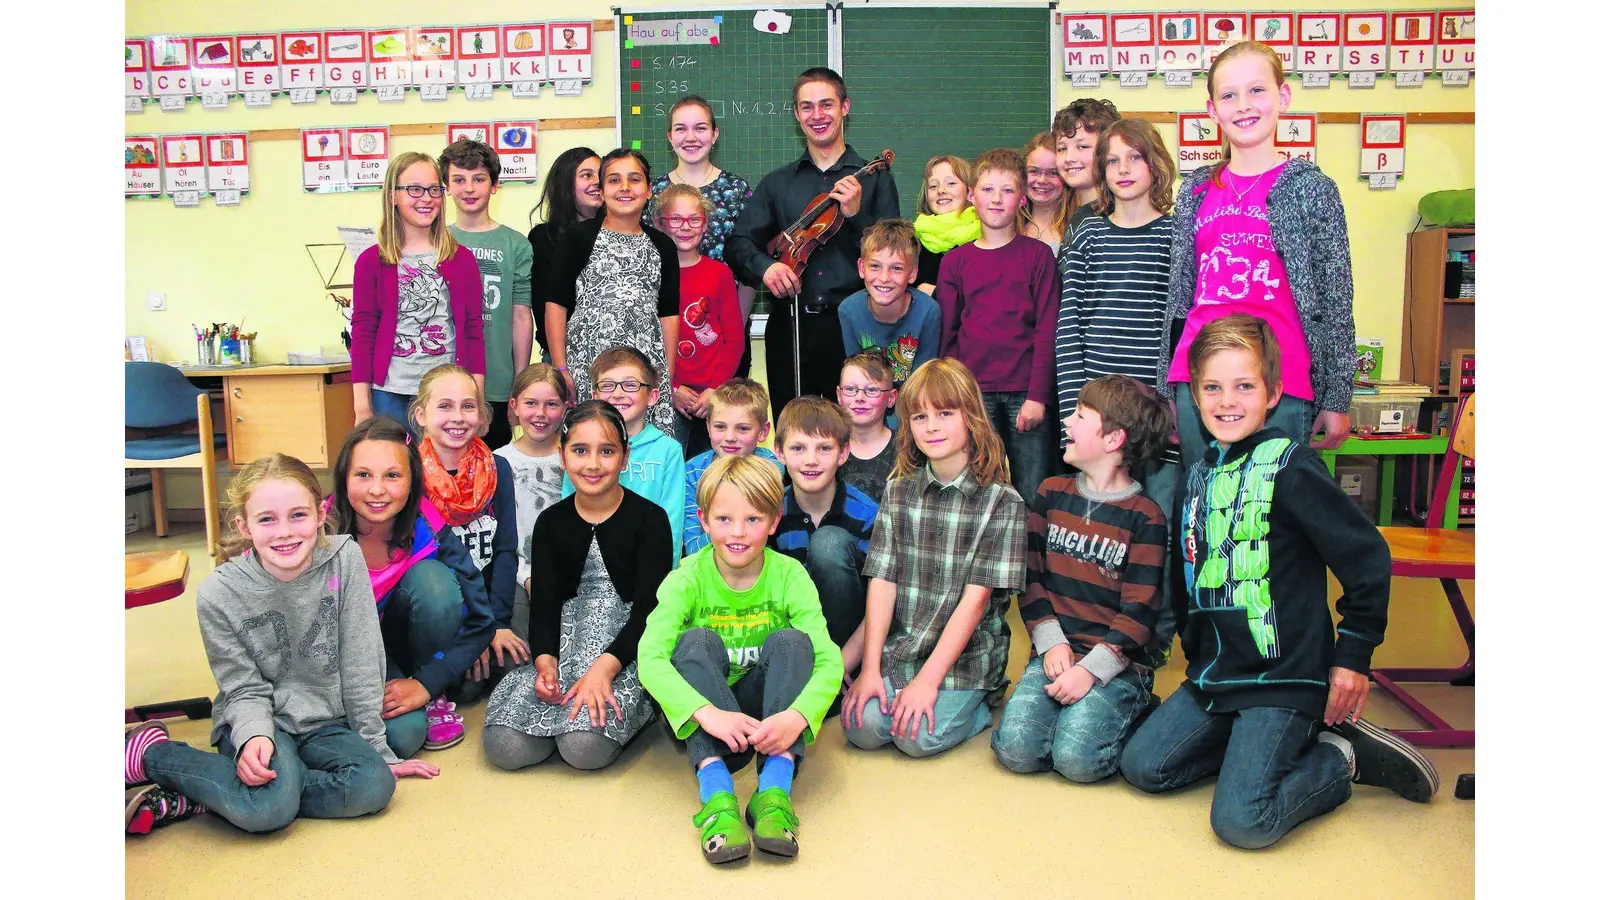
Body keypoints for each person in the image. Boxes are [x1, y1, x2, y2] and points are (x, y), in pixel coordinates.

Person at [1121, 314, 1438, 850]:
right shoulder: (1196, 477)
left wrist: (1353, 656)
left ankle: (1340, 757)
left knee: (1242, 821)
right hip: (1216, 678)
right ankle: (1256, 744)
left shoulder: (1292, 467)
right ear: (1192, 397)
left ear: (1273, 393)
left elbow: (1367, 558)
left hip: (1284, 677)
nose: (1227, 401)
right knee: (1143, 767)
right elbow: (1188, 578)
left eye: (1245, 386)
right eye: (1212, 388)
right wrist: (1197, 660)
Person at [124, 455, 437, 836]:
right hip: (263, 718)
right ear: (244, 526)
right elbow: (242, 687)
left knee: (374, 785)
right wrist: (254, 734)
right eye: (267, 519)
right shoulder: (218, 594)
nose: (285, 532)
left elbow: (360, 659)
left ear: (321, 515)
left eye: (298, 515)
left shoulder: (345, 559)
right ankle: (153, 755)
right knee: (267, 810)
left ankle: (221, 792)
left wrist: (376, 748)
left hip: (326, 722)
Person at [1155, 41, 1357, 476]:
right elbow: (1179, 297)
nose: (1243, 106)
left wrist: (1338, 397)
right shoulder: (1194, 191)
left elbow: (1336, 299)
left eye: (1257, 91)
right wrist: (1167, 388)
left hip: (1281, 383)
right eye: (1229, 95)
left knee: (1274, 517)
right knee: (1203, 508)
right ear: (1212, 109)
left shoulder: (1310, 188)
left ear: (1282, 97)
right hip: (1200, 380)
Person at [638, 455, 844, 864]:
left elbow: (829, 661)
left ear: (773, 521)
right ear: (703, 520)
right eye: (725, 519)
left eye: (753, 519)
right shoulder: (686, 578)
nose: (738, 532)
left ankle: (773, 790)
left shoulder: (790, 576)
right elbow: (650, 658)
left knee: (792, 642)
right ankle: (716, 795)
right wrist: (705, 712)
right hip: (711, 721)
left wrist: (797, 717)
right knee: (693, 642)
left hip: (768, 722)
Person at [840, 359, 1027, 758]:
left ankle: (981, 705)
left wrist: (928, 682)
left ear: (972, 418)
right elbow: (882, 581)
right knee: (863, 728)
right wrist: (870, 668)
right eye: (920, 416)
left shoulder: (1003, 502)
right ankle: (902, 684)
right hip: (906, 648)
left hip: (965, 660)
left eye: (945, 413)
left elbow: (975, 603)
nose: (932, 426)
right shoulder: (898, 491)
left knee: (915, 738)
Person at [990, 375, 1170, 782]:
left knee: (1078, 762)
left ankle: (1139, 706)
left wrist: (1089, 671)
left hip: (1116, 664)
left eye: (1079, 414)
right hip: (1055, 653)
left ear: (1112, 440)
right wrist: (1050, 643)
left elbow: (1139, 614)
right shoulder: (1051, 494)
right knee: (1017, 751)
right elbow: (1031, 578)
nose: (1066, 422)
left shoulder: (1146, 517)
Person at [483, 401, 673, 771]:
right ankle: (558, 716)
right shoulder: (551, 522)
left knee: (582, 749)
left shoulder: (651, 520)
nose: (593, 464)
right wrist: (545, 663)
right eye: (580, 450)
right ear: (562, 454)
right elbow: (545, 604)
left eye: (607, 451)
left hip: (623, 652)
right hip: (564, 645)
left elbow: (651, 611)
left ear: (624, 456)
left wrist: (604, 670)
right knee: (504, 748)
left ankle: (637, 711)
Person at [1053, 117, 1182, 659]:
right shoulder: (1088, 232)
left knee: (1162, 528)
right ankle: (1098, 635)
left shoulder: (1178, 233)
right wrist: (1074, 408)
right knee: (1105, 528)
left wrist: (1173, 405)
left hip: (1156, 411)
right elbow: (1071, 321)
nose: (1124, 170)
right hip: (1097, 410)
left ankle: (1155, 638)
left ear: (1155, 164)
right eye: (1112, 160)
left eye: (1135, 158)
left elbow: (1181, 325)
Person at [725, 67, 900, 419]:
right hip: (791, 325)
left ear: (845, 107)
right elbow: (738, 244)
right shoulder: (776, 183)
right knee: (796, 433)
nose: (817, 116)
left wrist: (855, 216)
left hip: (855, 327)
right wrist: (768, 267)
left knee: (857, 433)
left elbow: (893, 254)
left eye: (826, 105)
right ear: (796, 114)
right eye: (807, 107)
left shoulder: (876, 178)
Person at [330, 416, 494, 757]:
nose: (377, 490)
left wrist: (428, 682)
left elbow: (482, 619)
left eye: (392, 475)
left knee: (434, 582)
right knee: (397, 737)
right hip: (340, 655)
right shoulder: (318, 527)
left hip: (400, 644)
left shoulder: (427, 524)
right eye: (363, 475)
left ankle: (432, 695)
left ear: (412, 480)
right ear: (344, 478)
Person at [936, 148, 1061, 504]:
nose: (996, 199)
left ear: (1022, 199)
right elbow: (949, 335)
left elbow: (1047, 330)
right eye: (988, 190)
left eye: (1007, 191)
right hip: (974, 395)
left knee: (1033, 492)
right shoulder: (955, 262)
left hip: (1026, 392)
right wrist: (956, 396)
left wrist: (1038, 396)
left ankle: (1034, 561)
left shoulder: (1038, 257)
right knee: (977, 490)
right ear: (972, 196)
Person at [546, 148, 682, 436]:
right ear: (602, 189)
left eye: (634, 180)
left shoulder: (663, 245)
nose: (624, 188)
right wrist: (561, 367)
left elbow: (669, 314)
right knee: (592, 439)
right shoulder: (578, 237)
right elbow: (556, 305)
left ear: (648, 190)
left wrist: (665, 374)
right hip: (587, 363)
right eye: (614, 180)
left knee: (643, 444)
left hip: (645, 367)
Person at [406, 365, 519, 710]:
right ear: (421, 414)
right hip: (437, 612)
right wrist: (471, 637)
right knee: (464, 688)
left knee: (512, 665)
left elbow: (505, 551)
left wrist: (495, 624)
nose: (458, 417)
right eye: (445, 406)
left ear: (482, 415)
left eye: (468, 406)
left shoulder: (498, 468)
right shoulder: (406, 472)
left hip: (485, 606)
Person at [351, 151, 485, 429]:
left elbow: (473, 331)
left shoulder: (462, 260)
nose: (426, 198)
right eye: (414, 189)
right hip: (390, 392)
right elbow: (363, 334)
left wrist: (477, 400)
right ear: (393, 195)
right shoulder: (370, 262)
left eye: (434, 189)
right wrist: (361, 407)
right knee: (396, 468)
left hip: (447, 393)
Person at [644, 95, 758, 377]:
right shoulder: (653, 195)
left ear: (715, 134)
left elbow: (749, 267)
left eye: (701, 127)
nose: (691, 137)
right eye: (681, 129)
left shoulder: (738, 191)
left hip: (726, 336)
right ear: (670, 136)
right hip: (669, 338)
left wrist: (733, 331)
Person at [770, 397, 878, 691]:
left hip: (852, 641)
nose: (811, 460)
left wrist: (841, 663)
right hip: (796, 638)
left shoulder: (868, 514)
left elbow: (882, 604)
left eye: (824, 448)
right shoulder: (769, 515)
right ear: (779, 452)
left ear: (844, 452)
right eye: (798, 448)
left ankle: (840, 675)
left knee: (828, 542)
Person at [441, 139, 535, 449]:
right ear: (446, 186)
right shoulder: (437, 240)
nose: (469, 188)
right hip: (443, 379)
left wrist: (520, 383)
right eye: (459, 180)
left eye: (479, 179)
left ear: (494, 185)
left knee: (491, 470)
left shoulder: (515, 244)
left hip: (495, 383)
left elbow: (521, 315)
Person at [563, 347, 687, 562]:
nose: (618, 394)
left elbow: (672, 523)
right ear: (595, 396)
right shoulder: (580, 447)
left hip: (648, 569)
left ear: (652, 396)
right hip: (589, 569)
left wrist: (666, 579)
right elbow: (566, 511)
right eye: (608, 385)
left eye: (630, 385)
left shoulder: (668, 451)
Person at [657, 183, 744, 459]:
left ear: (705, 225)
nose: (686, 227)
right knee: (671, 470)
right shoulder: (652, 275)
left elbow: (733, 338)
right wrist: (668, 388)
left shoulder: (719, 274)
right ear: (660, 224)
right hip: (668, 396)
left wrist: (715, 390)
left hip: (713, 398)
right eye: (676, 219)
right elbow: (646, 341)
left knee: (714, 473)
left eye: (694, 219)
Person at [494, 363, 573, 662]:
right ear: (514, 406)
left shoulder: (576, 458)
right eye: (531, 403)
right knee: (519, 659)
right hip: (516, 577)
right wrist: (528, 576)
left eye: (551, 404)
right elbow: (499, 540)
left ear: (565, 408)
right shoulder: (497, 462)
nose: (541, 414)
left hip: (569, 574)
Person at [836, 218, 942, 388]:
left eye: (897, 268)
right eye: (875, 266)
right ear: (862, 268)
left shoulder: (928, 311)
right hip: (872, 399)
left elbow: (924, 381)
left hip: (913, 401)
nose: (884, 278)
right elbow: (857, 376)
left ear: (913, 274)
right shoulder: (849, 311)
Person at [682, 378, 781, 556]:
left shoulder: (770, 466)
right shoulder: (692, 471)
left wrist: (717, 527)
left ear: (763, 431)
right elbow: (693, 547)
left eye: (742, 429)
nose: (729, 437)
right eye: (720, 426)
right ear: (708, 427)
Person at [527, 147, 603, 362]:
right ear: (566, 184)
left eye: (601, 174)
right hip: (562, 357)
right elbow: (543, 307)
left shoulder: (617, 233)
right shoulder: (543, 238)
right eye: (586, 175)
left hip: (611, 358)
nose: (597, 182)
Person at [1052, 98, 1122, 238]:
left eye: (1083, 146)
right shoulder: (1077, 218)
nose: (1069, 158)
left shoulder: (1116, 221)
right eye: (1061, 148)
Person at [911, 155, 979, 297]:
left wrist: (935, 293)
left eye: (951, 183)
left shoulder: (987, 236)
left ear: (969, 191)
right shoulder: (913, 239)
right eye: (933, 186)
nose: (941, 190)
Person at [834, 351, 898, 504]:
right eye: (850, 389)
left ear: (891, 398)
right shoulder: (827, 448)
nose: (859, 398)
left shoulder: (907, 450)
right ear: (839, 395)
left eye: (872, 390)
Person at [1019, 132, 1067, 255]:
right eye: (1034, 171)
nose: (1042, 180)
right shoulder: (1007, 227)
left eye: (1053, 173)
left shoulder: (1076, 229)